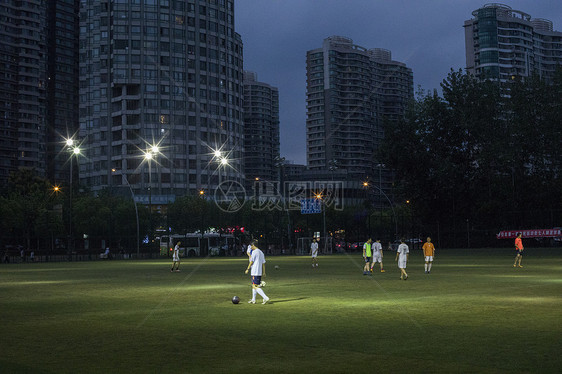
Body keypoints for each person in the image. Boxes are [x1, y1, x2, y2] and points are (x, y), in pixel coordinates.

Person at [244, 240, 269, 304]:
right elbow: (263, 263)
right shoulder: (261, 252)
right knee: (253, 285)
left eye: (251, 246)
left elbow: (251, 261)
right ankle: (253, 299)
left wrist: (247, 269)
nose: (251, 248)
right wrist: (264, 272)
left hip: (254, 271)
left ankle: (265, 297)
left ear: (253, 245)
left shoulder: (254, 252)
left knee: (255, 286)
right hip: (259, 271)